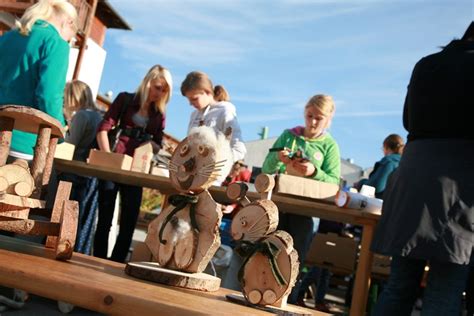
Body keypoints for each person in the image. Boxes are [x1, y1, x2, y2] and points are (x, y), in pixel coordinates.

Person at [371, 22, 474, 316]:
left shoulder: (426, 65)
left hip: (414, 175)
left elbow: (408, 121)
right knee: (444, 291)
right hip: (460, 183)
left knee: (399, 285)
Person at [262, 94, 341, 305]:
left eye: (319, 118)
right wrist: (278, 158)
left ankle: (287, 301)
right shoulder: (288, 136)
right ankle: (258, 294)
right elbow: (266, 168)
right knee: (266, 252)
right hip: (278, 205)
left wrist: (314, 171)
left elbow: (334, 183)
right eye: (309, 116)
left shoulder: (330, 146)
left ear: (329, 119)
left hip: (306, 213)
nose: (313, 122)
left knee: (293, 258)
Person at [93, 65, 172, 263]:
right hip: (114, 166)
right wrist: (109, 157)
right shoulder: (125, 99)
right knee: (104, 219)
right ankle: (98, 260)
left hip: (137, 170)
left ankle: (117, 264)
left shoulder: (158, 114)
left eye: (163, 90)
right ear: (147, 83)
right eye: (157, 87)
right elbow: (103, 128)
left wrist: (150, 145)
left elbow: (158, 143)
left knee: (129, 222)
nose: (159, 93)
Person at [0, 0, 77, 161]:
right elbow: (48, 95)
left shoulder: (7, 37)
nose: (69, 40)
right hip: (22, 142)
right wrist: (59, 130)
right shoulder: (56, 43)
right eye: (71, 37)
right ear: (69, 22)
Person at [59, 80, 102, 255]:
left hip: (73, 171)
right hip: (90, 175)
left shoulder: (81, 116)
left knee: (66, 218)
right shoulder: (98, 116)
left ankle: (62, 249)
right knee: (83, 220)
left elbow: (70, 144)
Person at [180, 71, 246, 162]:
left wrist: (218, 163)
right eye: (189, 99)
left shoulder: (225, 112)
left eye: (194, 99)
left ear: (207, 92)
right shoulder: (194, 115)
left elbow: (239, 149)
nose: (190, 103)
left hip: (213, 174)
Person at [357, 134, 404, 198]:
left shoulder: (388, 162)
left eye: (383, 148)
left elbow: (377, 186)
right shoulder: (405, 163)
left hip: (383, 204)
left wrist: (361, 183)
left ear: (387, 147)